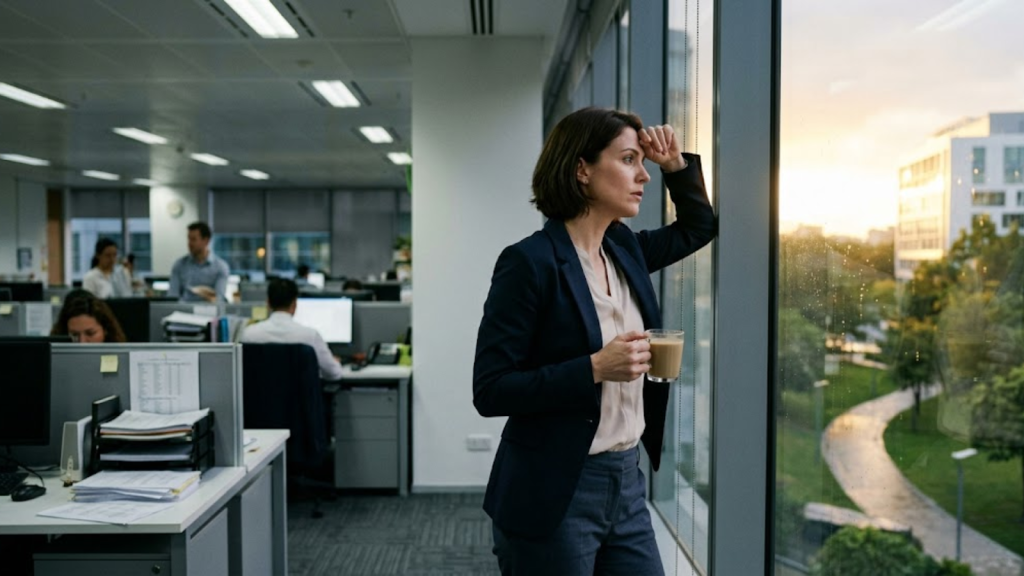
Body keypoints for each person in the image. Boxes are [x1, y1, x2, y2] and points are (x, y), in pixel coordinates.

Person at [473, 107, 717, 575]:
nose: (643, 175)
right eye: (628, 160)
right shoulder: (529, 263)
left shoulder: (625, 249)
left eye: (642, 162)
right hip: (554, 489)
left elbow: (698, 227)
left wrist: (675, 166)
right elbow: (491, 389)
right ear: (581, 169)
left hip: (627, 481)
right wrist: (595, 368)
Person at [240, 278, 343, 381]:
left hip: (261, 391)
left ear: (268, 303)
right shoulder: (310, 336)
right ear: (294, 304)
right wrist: (335, 362)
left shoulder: (249, 334)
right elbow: (334, 374)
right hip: (301, 392)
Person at [168, 221, 230, 302]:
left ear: (206, 241)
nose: (189, 244)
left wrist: (208, 297)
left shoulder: (220, 267)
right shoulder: (179, 265)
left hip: (208, 308)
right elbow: (172, 296)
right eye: (189, 239)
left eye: (193, 239)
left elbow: (219, 299)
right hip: (183, 308)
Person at [51, 289, 126, 343]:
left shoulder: (122, 357)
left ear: (106, 330)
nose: (82, 342)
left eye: (90, 333)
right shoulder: (53, 358)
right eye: (74, 335)